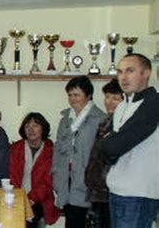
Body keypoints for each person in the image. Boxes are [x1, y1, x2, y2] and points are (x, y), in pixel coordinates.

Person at [98, 54, 158, 228]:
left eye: (130, 71)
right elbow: (109, 145)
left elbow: (114, 146)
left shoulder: (153, 102)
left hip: (139, 193)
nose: (123, 77)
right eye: (120, 72)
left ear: (146, 73)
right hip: (118, 189)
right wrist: (108, 143)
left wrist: (106, 143)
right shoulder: (123, 105)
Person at [52, 76, 107, 228]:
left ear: (88, 95)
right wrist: (55, 173)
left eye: (77, 95)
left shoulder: (100, 119)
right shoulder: (65, 119)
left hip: (87, 181)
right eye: (70, 95)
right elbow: (58, 149)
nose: (72, 99)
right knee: (71, 220)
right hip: (65, 179)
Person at [9, 112, 60, 227]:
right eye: (27, 126)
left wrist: (30, 199)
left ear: (43, 128)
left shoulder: (51, 151)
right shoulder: (15, 148)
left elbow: (48, 182)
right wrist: (20, 197)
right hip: (17, 196)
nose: (31, 129)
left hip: (40, 200)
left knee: (31, 220)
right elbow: (11, 175)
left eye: (35, 125)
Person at [84, 78, 123, 228]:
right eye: (107, 96)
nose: (109, 102)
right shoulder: (105, 123)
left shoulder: (125, 126)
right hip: (97, 192)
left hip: (112, 193)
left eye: (115, 98)